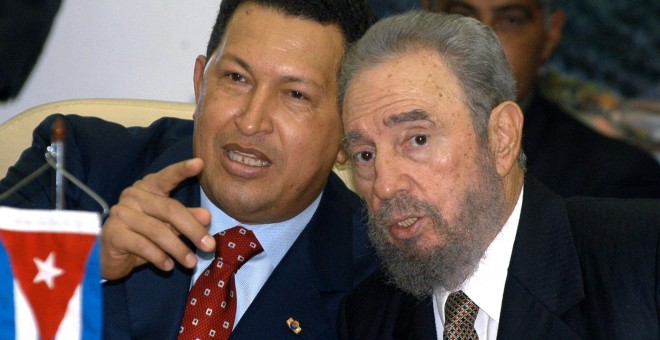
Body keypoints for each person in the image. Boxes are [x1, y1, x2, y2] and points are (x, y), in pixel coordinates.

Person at [0, 0, 378, 338]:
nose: (251, 121)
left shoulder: (378, 277)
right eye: (236, 78)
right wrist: (83, 263)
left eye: (296, 94)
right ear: (200, 83)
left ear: (349, 129)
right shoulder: (77, 166)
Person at [337, 12, 660, 338]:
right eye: (365, 155)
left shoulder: (643, 257)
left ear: (501, 138)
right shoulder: (367, 319)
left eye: (418, 139)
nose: (386, 185)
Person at [430, 0, 660, 198]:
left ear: (551, 34)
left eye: (511, 20)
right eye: (461, 17)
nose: (482, 43)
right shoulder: (395, 152)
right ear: (427, 20)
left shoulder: (614, 181)